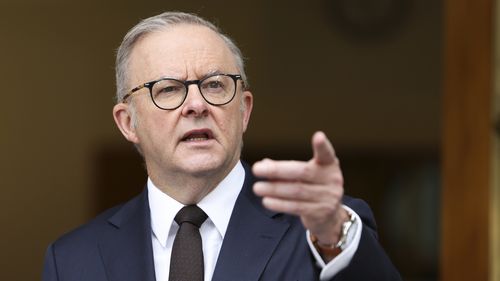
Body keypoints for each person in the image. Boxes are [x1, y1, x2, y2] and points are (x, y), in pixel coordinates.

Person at [43, 11, 401, 281]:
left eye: (215, 85)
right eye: (168, 89)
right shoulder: (74, 259)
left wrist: (334, 233)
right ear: (127, 123)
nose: (196, 105)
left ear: (243, 111)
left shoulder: (320, 232)